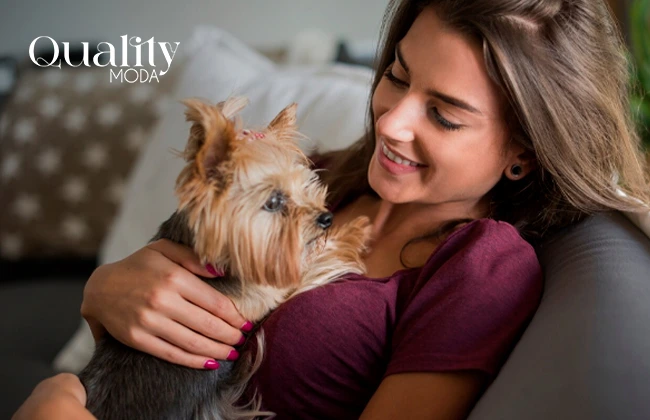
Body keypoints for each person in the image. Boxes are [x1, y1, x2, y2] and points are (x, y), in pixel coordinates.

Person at [16, 0, 650, 418]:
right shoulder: (317, 180)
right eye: (398, 76)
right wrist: (103, 295)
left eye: (444, 114)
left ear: (525, 153)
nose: (391, 120)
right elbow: (150, 308)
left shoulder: (480, 267)